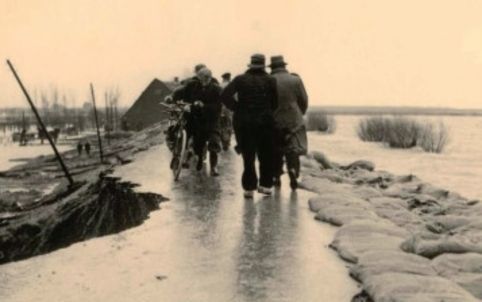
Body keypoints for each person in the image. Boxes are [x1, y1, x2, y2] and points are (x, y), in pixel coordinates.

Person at [220, 54, 278, 197]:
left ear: (250, 65)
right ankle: (265, 185)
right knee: (265, 154)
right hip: (265, 122)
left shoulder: (240, 79)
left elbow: (224, 96)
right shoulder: (271, 80)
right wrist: (267, 111)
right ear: (263, 66)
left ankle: (249, 188)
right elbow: (275, 103)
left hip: (244, 122)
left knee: (248, 155)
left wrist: (237, 108)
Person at [171, 67, 222, 176]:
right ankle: (191, 157)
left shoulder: (216, 89)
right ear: (198, 78)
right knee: (197, 144)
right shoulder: (191, 86)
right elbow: (182, 97)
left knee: (214, 142)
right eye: (202, 78)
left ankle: (214, 167)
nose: (204, 81)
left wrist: (204, 106)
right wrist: (183, 105)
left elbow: (218, 107)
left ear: (210, 78)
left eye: (207, 78)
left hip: (211, 121)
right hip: (196, 120)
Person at [269, 55, 308, 190]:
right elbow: (304, 100)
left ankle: (276, 176)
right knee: (293, 148)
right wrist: (299, 114)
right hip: (293, 119)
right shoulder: (295, 80)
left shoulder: (268, 80)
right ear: (284, 66)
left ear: (272, 67)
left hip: (274, 120)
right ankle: (292, 170)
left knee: (275, 149)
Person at [219, 72, 233, 151]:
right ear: (229, 78)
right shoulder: (231, 86)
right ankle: (227, 141)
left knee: (221, 124)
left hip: (220, 108)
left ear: (223, 78)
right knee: (228, 124)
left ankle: (223, 140)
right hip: (228, 108)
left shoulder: (220, 85)